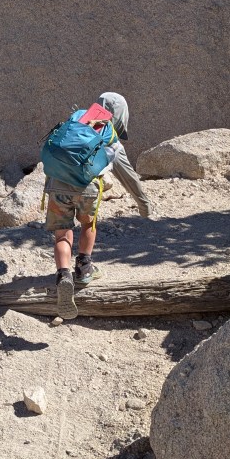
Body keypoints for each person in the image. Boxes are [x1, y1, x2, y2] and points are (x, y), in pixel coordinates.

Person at [44, 91, 152, 320]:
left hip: (58, 185)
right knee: (88, 224)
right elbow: (129, 177)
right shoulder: (110, 136)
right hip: (87, 189)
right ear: (121, 115)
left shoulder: (76, 120)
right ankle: (84, 269)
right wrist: (144, 206)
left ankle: (63, 276)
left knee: (62, 233)